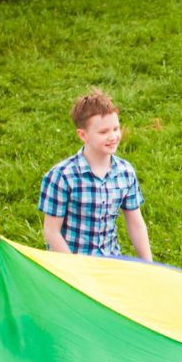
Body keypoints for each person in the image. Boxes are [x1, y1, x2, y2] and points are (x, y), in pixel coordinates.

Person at [39, 87, 152, 260]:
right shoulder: (62, 176)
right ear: (83, 135)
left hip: (109, 262)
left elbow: (136, 224)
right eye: (103, 132)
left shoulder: (125, 172)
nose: (113, 136)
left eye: (115, 128)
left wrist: (148, 265)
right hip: (70, 264)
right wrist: (76, 270)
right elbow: (51, 232)